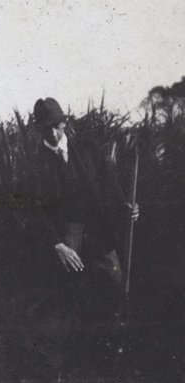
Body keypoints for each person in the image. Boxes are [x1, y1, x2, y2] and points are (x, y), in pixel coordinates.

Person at [24, 97, 139, 365]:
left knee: (114, 284)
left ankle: (117, 353)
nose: (52, 133)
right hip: (67, 235)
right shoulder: (35, 163)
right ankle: (77, 360)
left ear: (64, 123)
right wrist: (58, 245)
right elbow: (34, 210)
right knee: (74, 294)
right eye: (45, 129)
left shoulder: (86, 149)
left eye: (56, 126)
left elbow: (110, 186)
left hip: (98, 231)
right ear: (38, 130)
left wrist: (127, 207)